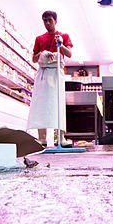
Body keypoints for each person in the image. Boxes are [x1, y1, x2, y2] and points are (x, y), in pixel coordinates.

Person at [27, 10, 73, 147]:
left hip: (57, 73)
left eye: (50, 20)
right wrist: (43, 53)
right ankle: (42, 138)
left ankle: (60, 137)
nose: (47, 23)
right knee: (41, 104)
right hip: (43, 73)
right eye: (45, 20)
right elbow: (34, 59)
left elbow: (69, 54)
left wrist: (61, 44)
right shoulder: (39, 39)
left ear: (55, 21)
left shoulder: (63, 36)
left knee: (57, 104)